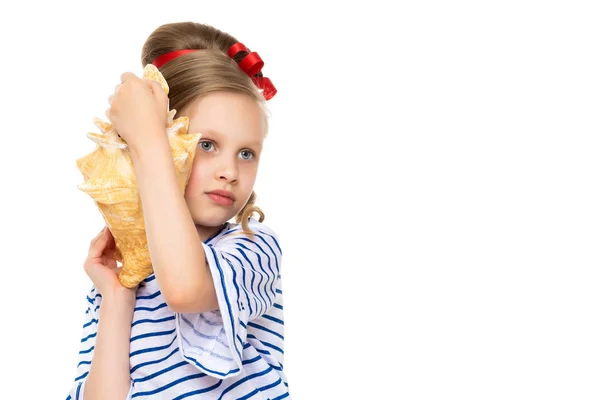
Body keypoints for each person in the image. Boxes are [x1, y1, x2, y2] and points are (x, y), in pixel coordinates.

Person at [66, 21, 289, 399]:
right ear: (169, 143)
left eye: (246, 153)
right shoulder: (119, 279)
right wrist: (118, 298)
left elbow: (184, 288)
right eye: (207, 145)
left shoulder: (253, 248)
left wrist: (146, 139)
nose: (230, 172)